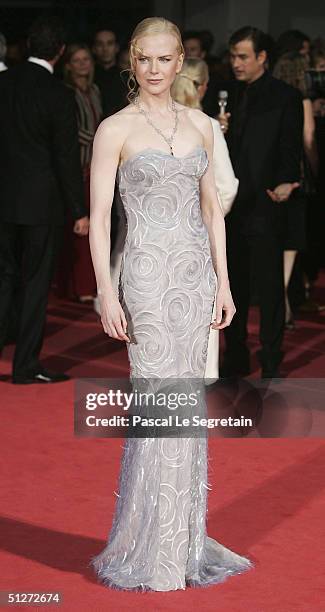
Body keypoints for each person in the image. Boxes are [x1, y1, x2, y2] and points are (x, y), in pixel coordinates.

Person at [89, 16, 253, 591]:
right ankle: (154, 554)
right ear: (131, 63)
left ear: (180, 62)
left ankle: (181, 544)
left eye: (165, 60)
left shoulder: (205, 127)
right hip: (146, 281)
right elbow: (102, 219)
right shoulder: (114, 129)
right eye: (144, 60)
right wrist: (106, 292)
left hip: (192, 278)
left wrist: (224, 283)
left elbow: (213, 214)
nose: (155, 71)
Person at [0, 16, 88, 384]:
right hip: (40, 203)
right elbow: (65, 157)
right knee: (36, 282)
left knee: (3, 277)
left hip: (3, 199)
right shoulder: (58, 94)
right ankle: (25, 366)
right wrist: (78, 210)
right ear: (61, 52)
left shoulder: (3, 83)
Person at [218, 26, 303, 378]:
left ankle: (270, 356)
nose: (236, 63)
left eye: (243, 57)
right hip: (230, 206)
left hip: (267, 204)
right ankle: (235, 355)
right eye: (233, 56)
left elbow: (290, 145)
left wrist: (286, 183)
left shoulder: (286, 96)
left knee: (269, 288)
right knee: (231, 285)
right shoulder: (227, 94)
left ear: (261, 58)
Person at [171, 57, 238, 381]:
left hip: (178, 239)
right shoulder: (206, 126)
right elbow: (227, 187)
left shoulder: (205, 126)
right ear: (203, 86)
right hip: (182, 240)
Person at [273, 52, 318, 328]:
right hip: (295, 175)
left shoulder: (271, 95)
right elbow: (309, 137)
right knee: (290, 241)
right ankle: (284, 298)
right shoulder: (301, 99)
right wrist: (316, 170)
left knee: (276, 238)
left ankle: (280, 301)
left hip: (270, 173)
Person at [56, 43, 102, 303]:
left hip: (96, 165)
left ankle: (87, 283)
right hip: (78, 165)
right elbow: (71, 131)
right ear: (69, 65)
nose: (84, 64)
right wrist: (102, 141)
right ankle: (77, 286)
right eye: (78, 60)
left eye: (87, 59)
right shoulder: (68, 93)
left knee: (92, 227)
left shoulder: (94, 90)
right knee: (78, 228)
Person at [92, 26, 127, 117]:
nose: (105, 49)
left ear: (116, 47)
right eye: (100, 44)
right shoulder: (88, 77)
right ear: (94, 48)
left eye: (109, 43)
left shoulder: (126, 78)